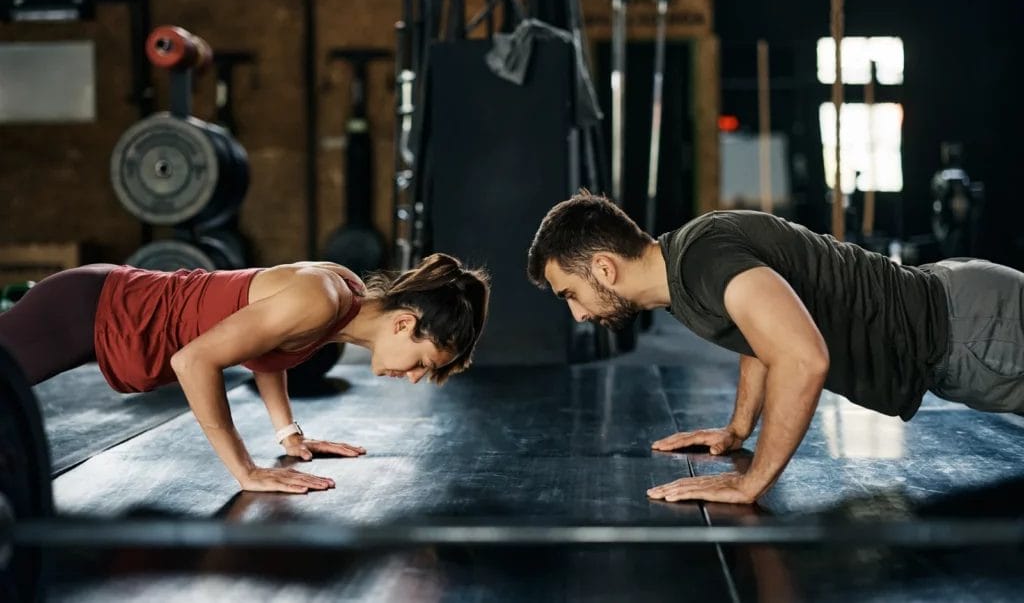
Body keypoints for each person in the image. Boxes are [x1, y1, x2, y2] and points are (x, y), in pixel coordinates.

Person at [528, 191, 1024, 504]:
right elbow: (763, 335)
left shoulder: (703, 261)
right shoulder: (686, 267)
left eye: (570, 293)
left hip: (973, 326)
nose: (578, 314)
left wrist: (751, 482)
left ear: (604, 268)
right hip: (959, 322)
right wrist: (739, 428)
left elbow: (803, 359)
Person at [0, 253, 489, 494]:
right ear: (404, 323)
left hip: (110, 315)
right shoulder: (323, 297)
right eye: (424, 363)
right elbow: (192, 360)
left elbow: (263, 350)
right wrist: (245, 471)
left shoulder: (343, 297)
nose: (417, 377)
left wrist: (288, 433)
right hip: (91, 310)